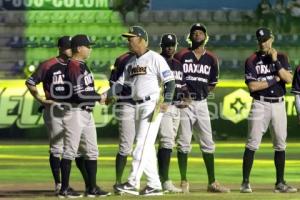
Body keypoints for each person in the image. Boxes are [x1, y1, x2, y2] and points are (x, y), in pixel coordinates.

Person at [108, 26, 176, 196]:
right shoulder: (131, 62)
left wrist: (167, 100)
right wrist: (104, 95)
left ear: (141, 39)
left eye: (131, 37)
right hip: (136, 105)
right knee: (147, 148)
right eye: (128, 38)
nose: (128, 41)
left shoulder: (155, 58)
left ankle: (133, 182)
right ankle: (154, 185)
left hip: (151, 105)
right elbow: (119, 84)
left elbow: (170, 82)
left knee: (141, 143)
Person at [25, 36, 89, 195]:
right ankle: (59, 185)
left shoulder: (75, 64)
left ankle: (84, 184)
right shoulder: (48, 65)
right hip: (54, 108)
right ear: (60, 48)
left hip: (73, 109)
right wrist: (39, 99)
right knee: (56, 148)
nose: (70, 49)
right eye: (68, 47)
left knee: (75, 148)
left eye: (71, 47)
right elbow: (30, 82)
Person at [174, 23, 230, 193]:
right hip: (184, 104)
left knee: (208, 142)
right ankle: (184, 181)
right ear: (189, 37)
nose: (197, 34)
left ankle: (212, 182)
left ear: (206, 36)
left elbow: (212, 83)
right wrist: (182, 94)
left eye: (200, 32)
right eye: (194, 33)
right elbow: (174, 77)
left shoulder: (211, 58)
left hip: (202, 104)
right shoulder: (181, 55)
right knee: (183, 143)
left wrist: (203, 92)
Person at [241, 27, 297, 193]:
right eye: (260, 40)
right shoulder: (251, 60)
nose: (263, 43)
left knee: (280, 144)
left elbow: (289, 79)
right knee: (252, 143)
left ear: (271, 39)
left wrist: (275, 62)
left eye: (265, 40)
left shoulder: (281, 57)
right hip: (260, 103)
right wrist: (274, 79)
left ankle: (280, 183)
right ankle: (245, 182)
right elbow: (253, 87)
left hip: (279, 104)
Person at [58, 34, 111, 198]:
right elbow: (79, 94)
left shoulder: (82, 65)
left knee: (92, 151)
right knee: (70, 151)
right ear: (79, 48)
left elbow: (86, 91)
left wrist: (97, 96)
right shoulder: (73, 65)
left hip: (85, 112)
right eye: (88, 46)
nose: (90, 49)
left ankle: (92, 188)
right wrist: (98, 97)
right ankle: (64, 189)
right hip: (74, 111)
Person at [156, 33, 186, 193]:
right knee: (167, 142)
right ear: (161, 46)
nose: (169, 47)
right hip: (163, 107)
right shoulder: (157, 61)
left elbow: (182, 85)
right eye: (166, 44)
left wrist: (185, 97)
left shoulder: (178, 64)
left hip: (177, 107)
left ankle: (160, 179)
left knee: (168, 142)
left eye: (172, 44)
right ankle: (165, 180)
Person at [108, 51, 136, 194]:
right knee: (125, 146)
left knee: (145, 146)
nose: (130, 41)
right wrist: (111, 95)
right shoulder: (122, 59)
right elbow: (113, 81)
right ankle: (118, 182)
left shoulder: (151, 57)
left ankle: (136, 181)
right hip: (126, 103)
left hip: (145, 104)